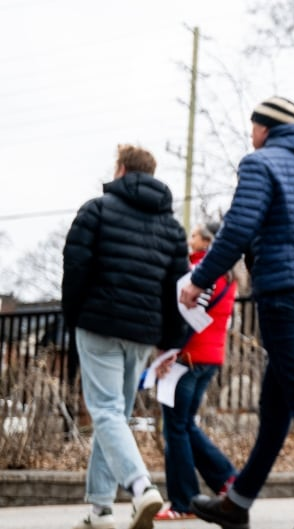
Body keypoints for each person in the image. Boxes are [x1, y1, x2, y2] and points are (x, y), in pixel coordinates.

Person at [180, 96, 294, 529]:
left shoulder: (260, 164)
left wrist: (199, 280)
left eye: (252, 126)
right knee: (276, 403)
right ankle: (237, 503)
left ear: (265, 128)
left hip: (284, 297)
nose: (250, 134)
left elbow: (239, 227)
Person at [62, 144, 189, 529]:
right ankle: (101, 510)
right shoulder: (172, 226)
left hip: (99, 324)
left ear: (120, 170)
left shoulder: (96, 210)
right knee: (113, 414)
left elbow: (75, 265)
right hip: (142, 333)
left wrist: (74, 314)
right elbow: (176, 286)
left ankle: (141, 487)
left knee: (104, 410)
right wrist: (172, 338)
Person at [154, 222, 238, 521]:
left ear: (207, 241)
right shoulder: (229, 276)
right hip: (210, 357)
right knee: (185, 424)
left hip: (188, 357)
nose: (189, 239)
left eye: (194, 235)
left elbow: (191, 314)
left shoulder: (203, 271)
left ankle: (183, 501)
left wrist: (168, 352)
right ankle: (227, 480)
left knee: (175, 428)